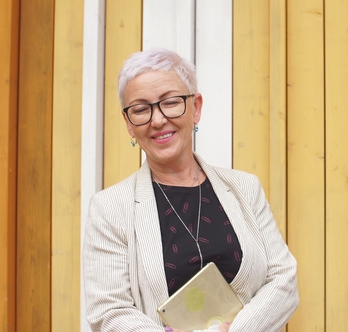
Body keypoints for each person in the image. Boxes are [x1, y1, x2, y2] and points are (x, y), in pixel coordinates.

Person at [82, 48, 299, 332]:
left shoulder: (245, 188)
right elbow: (108, 311)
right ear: (128, 124)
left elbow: (283, 279)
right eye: (141, 109)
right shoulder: (109, 208)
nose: (157, 120)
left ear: (195, 107)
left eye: (170, 102)